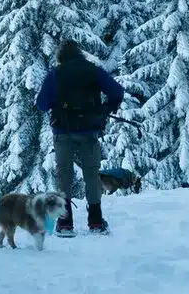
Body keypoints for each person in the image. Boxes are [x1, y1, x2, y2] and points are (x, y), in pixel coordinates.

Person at [34, 38, 125, 236]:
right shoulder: (93, 71)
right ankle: (95, 221)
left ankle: (65, 223)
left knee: (64, 174)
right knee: (92, 174)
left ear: (61, 57)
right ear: (79, 54)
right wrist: (105, 109)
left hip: (63, 131)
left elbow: (41, 104)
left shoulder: (56, 74)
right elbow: (117, 92)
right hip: (89, 130)